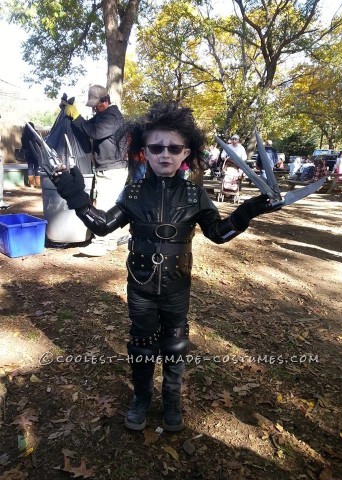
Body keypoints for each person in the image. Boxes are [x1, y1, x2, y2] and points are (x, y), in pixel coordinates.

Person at [52, 101, 280, 432]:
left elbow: (218, 233)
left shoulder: (195, 194)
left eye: (174, 148)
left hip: (176, 287)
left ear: (186, 152)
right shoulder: (132, 192)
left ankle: (171, 399)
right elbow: (101, 226)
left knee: (175, 343)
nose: (165, 154)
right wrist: (75, 196)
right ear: (144, 150)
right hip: (141, 286)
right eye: (156, 147)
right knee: (142, 343)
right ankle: (142, 398)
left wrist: (249, 211)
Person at [64, 85, 130, 256]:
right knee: (109, 205)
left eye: (97, 104)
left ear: (106, 101)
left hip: (112, 169)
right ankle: (110, 241)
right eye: (92, 105)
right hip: (107, 167)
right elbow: (84, 128)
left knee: (104, 205)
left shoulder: (113, 117)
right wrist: (71, 115)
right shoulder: (102, 115)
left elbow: (94, 132)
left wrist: (77, 116)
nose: (94, 108)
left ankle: (100, 242)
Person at [21, 122, 41, 188]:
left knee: (30, 167)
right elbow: (40, 144)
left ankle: (31, 184)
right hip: (35, 153)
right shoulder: (35, 135)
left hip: (28, 153)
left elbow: (24, 146)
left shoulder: (23, 136)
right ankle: (38, 183)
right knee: (36, 167)